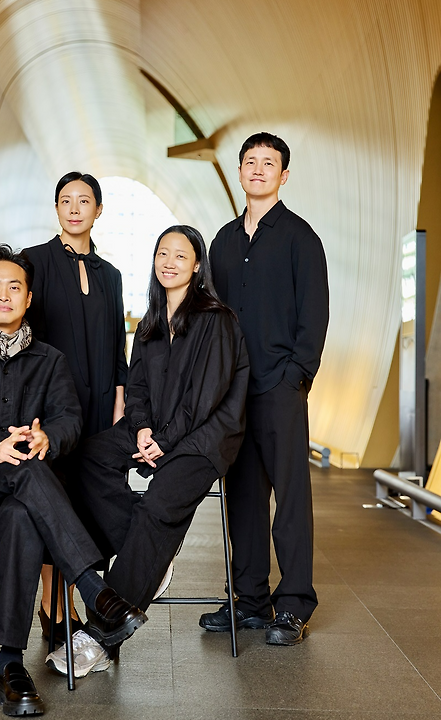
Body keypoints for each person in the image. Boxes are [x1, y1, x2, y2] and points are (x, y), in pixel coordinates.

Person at [0, 244, 146, 716]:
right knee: (21, 472)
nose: (4, 295)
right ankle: (94, 589)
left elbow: (70, 417)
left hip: (24, 493)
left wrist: (49, 437)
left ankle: (9, 667)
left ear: (29, 299)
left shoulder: (50, 360)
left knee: (23, 509)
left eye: (14, 288)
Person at [45, 225, 249, 677]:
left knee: (159, 503)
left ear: (197, 265)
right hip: (155, 430)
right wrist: (140, 429)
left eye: (180, 254)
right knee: (86, 458)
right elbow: (136, 388)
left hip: (203, 439)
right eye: (162, 252)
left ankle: (99, 634)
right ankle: (153, 550)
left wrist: (164, 439)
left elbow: (205, 399)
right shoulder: (150, 324)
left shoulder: (216, 319)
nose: (169, 261)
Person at [200, 131, 329, 645]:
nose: (258, 169)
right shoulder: (223, 242)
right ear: (239, 172)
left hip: (280, 386)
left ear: (283, 175)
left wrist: (297, 374)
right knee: (244, 497)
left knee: (291, 498)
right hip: (234, 392)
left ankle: (294, 605)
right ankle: (250, 601)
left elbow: (314, 314)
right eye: (250, 161)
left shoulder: (301, 238)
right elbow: (211, 316)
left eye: (268, 163)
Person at [23, 172, 128, 640]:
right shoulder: (35, 262)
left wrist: (121, 399)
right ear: (57, 209)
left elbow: (116, 342)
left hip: (102, 402)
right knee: (56, 499)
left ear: (98, 210)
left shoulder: (112, 275)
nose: (73, 208)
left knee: (93, 500)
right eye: (65, 200)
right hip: (53, 406)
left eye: (83, 201)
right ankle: (55, 605)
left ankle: (83, 599)